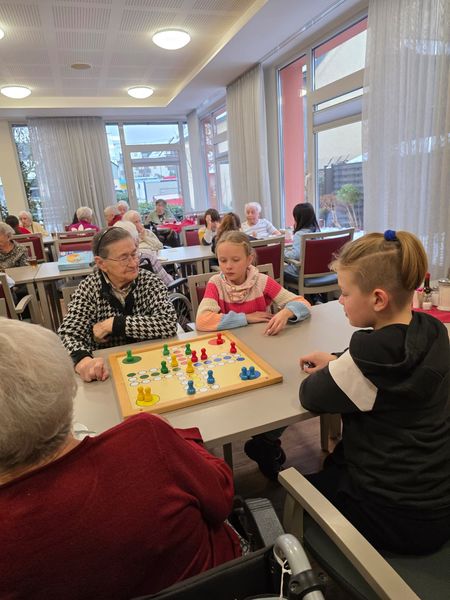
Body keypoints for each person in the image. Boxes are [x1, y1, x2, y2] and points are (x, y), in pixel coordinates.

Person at [0, 318, 241, 600]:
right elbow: (221, 497)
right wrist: (176, 439)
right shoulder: (147, 436)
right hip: (224, 587)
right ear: (67, 386)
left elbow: (166, 323)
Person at [299, 230, 450, 555]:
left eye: (344, 293)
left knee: (293, 491)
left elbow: (310, 395)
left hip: (387, 515)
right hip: (436, 505)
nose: (340, 301)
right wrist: (340, 361)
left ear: (378, 299)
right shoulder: (434, 332)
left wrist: (341, 366)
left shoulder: (366, 358)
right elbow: (389, 368)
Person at [196, 231, 311, 479]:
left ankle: (266, 441)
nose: (228, 266)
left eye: (235, 260)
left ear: (250, 259)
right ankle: (266, 443)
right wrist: (245, 318)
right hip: (229, 360)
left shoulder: (262, 281)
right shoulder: (216, 284)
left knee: (290, 392)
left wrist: (286, 312)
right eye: (223, 260)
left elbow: (302, 302)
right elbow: (203, 320)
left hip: (264, 355)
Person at [58, 227, 178, 383]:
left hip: (152, 365)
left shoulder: (149, 281)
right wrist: (84, 362)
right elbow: (68, 335)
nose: (134, 263)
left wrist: (114, 324)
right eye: (124, 258)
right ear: (101, 263)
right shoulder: (89, 288)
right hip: (108, 373)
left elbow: (168, 322)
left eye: (134, 254)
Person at [113, 220, 173, 287]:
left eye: (139, 221)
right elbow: (167, 282)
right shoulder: (147, 256)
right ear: (136, 240)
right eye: (136, 221)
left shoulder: (113, 262)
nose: (133, 264)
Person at [284, 202, 320, 282]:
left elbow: (295, 255)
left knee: (279, 269)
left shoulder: (300, 234)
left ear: (299, 219)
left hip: (300, 273)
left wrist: (281, 252)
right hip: (318, 270)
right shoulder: (318, 232)